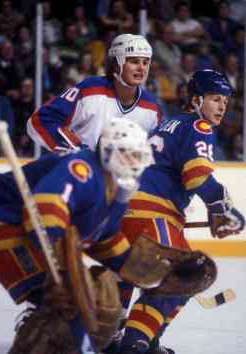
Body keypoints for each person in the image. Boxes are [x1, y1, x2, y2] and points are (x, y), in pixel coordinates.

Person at [94, 69, 245, 354]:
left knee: (131, 273)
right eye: (215, 99)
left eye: (225, 101)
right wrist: (224, 207)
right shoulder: (199, 127)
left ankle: (117, 338)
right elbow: (198, 177)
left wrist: (215, 209)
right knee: (186, 276)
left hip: (121, 210)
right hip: (151, 213)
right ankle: (134, 345)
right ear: (197, 100)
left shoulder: (169, 123)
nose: (222, 106)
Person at [0, 117, 153, 354]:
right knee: (69, 303)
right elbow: (46, 209)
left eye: (138, 155)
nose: (133, 162)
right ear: (108, 151)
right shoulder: (82, 168)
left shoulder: (119, 189)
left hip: (20, 228)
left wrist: (144, 271)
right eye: (126, 154)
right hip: (4, 221)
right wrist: (60, 268)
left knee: (69, 303)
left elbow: (103, 238)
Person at [27, 33, 162, 153]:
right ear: (116, 64)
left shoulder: (152, 109)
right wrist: (78, 152)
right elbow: (40, 121)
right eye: (134, 61)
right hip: (82, 175)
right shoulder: (91, 90)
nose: (141, 68)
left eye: (145, 62)